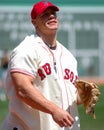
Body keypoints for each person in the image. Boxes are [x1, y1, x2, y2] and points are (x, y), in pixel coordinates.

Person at [2, 1, 82, 130]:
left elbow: (69, 97)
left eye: (53, 13)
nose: (51, 16)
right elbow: (23, 89)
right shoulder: (26, 49)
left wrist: (84, 96)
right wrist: (54, 110)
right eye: (45, 14)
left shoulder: (69, 57)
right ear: (34, 22)